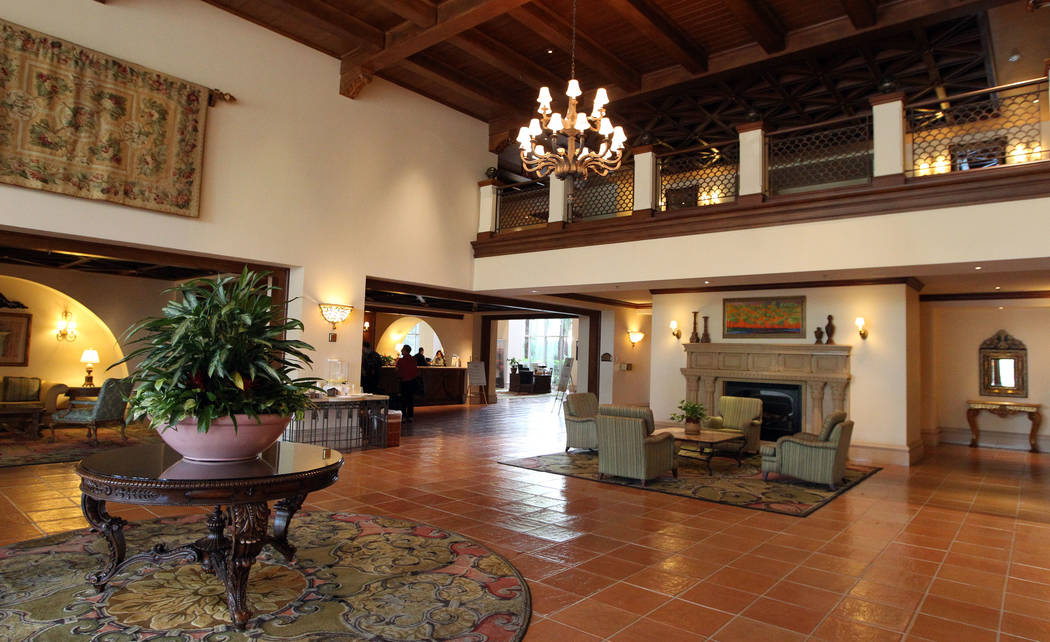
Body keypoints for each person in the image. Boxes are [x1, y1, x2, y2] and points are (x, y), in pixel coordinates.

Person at [397, 344, 419, 422]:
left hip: (404, 382)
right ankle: (410, 416)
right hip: (412, 382)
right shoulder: (413, 360)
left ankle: (403, 417)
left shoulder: (401, 360)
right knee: (410, 400)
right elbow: (416, 372)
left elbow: (398, 371)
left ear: (405, 351)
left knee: (403, 400)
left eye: (402, 349)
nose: (401, 351)